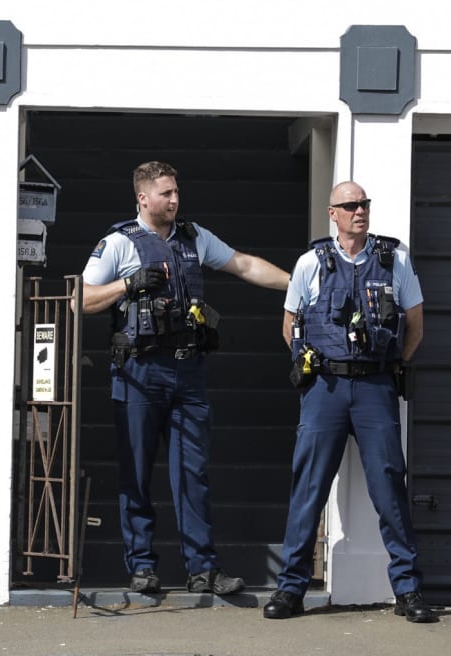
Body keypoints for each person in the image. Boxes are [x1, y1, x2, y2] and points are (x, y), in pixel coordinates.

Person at [80, 161, 289, 595]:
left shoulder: (194, 238)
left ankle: (203, 570)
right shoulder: (119, 243)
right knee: (135, 474)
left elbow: (244, 266)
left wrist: (299, 282)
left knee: (193, 474)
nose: (175, 200)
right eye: (166, 194)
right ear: (142, 198)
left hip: (188, 371)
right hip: (139, 372)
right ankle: (141, 567)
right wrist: (127, 285)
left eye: (176, 192)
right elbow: (79, 299)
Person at [263, 181, 437, 622]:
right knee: (308, 489)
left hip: (376, 386)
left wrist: (393, 363)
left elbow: (415, 323)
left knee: (389, 488)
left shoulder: (394, 259)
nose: (360, 210)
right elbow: (289, 326)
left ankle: (408, 592)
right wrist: (312, 365)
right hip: (325, 389)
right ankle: (291, 591)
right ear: (332, 214)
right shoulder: (310, 262)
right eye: (350, 205)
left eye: (364, 204)